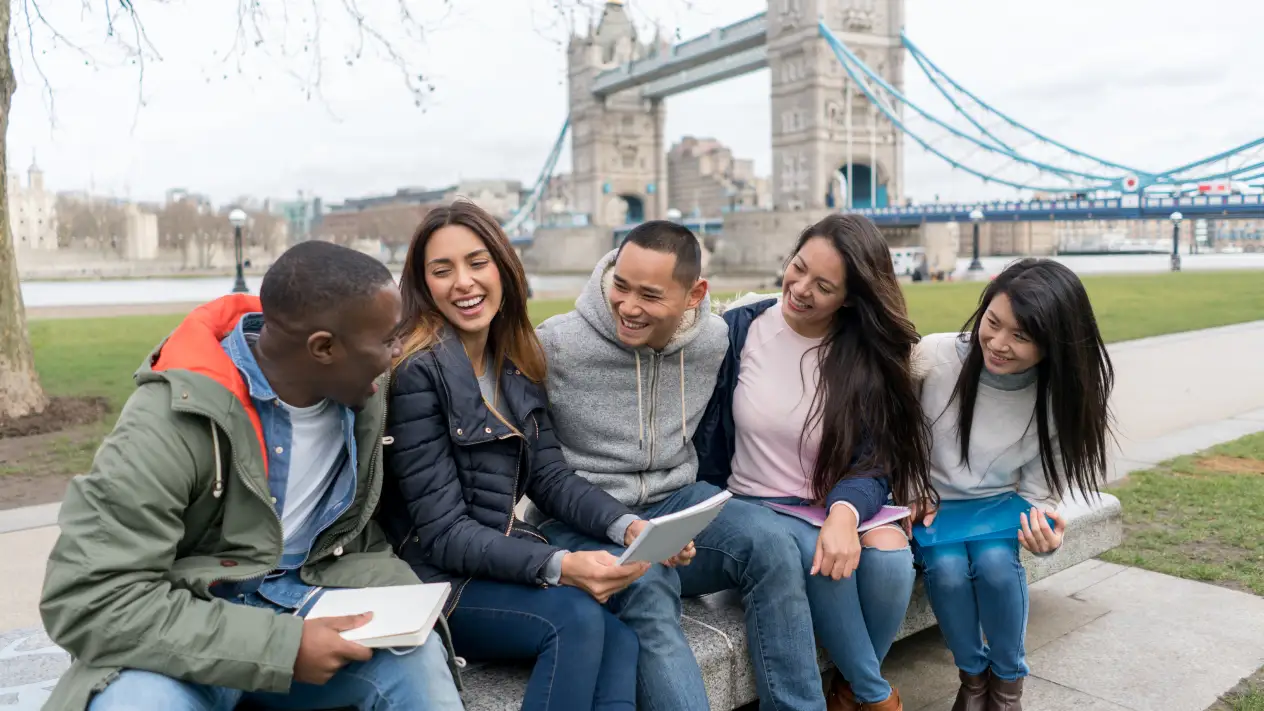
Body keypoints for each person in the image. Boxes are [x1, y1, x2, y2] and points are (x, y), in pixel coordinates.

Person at [39, 241, 465, 711]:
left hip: (318, 598)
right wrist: (282, 647)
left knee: (417, 662)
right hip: (193, 614)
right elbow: (90, 599)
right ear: (323, 347)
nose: (397, 352)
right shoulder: (169, 421)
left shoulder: (360, 391)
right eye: (386, 341)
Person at [532, 220, 829, 711]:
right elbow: (538, 471)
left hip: (676, 510)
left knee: (773, 543)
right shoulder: (555, 343)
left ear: (695, 295)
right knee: (644, 583)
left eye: (649, 295)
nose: (627, 306)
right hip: (580, 520)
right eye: (620, 286)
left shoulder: (713, 339)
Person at [378, 200, 656, 711]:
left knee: (624, 641)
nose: (463, 282)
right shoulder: (419, 372)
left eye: (477, 262)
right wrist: (562, 564)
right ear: (423, 284)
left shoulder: (515, 359)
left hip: (489, 560)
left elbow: (549, 477)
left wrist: (628, 526)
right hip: (431, 580)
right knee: (574, 619)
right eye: (443, 270)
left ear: (503, 267)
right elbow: (441, 535)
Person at [693, 214, 937, 711]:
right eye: (797, 267)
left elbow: (875, 461)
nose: (800, 288)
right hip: (755, 507)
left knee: (891, 562)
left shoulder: (864, 353)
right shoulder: (739, 332)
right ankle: (874, 694)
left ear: (849, 297)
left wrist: (846, 512)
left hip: (836, 500)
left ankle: (847, 689)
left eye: (823, 286)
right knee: (816, 554)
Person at [912, 258, 1115, 711]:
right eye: (993, 323)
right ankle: (972, 679)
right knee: (945, 572)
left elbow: (1041, 492)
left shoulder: (1059, 396)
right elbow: (892, 433)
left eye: (1021, 336)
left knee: (997, 568)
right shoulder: (934, 357)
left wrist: (1045, 530)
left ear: (1055, 344)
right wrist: (909, 488)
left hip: (999, 509)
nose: (999, 344)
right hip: (931, 507)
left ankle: (1007, 688)